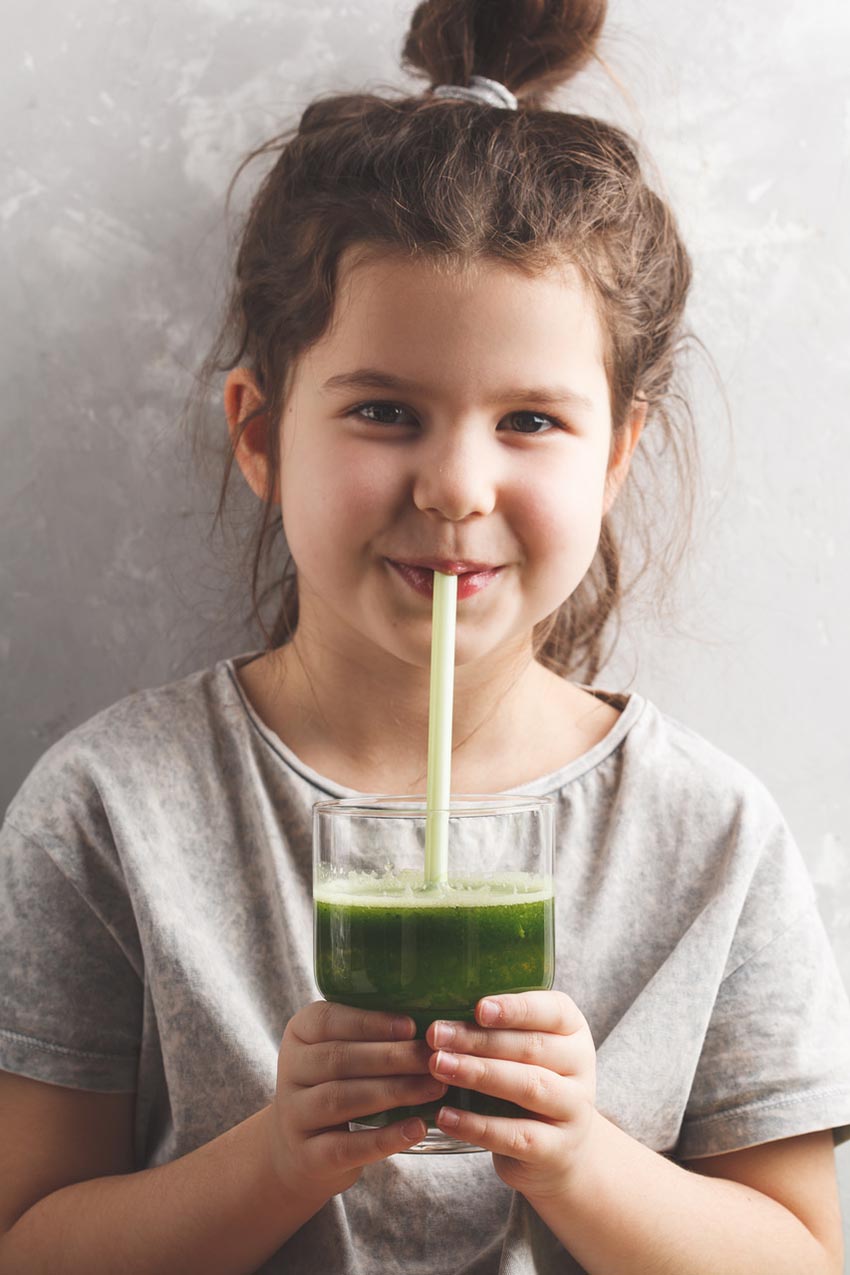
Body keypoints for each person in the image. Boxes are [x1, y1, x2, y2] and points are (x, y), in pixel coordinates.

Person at [1, 0, 849, 1271]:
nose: (456, 486)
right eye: (387, 409)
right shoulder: (113, 810)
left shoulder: (709, 841)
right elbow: (27, 1241)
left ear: (617, 455)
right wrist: (277, 1158)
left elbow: (802, 1253)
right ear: (257, 432)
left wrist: (578, 1156)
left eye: (530, 422)